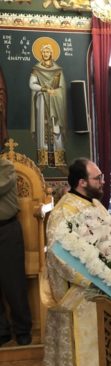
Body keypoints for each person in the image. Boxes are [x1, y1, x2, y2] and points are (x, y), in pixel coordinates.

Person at [43, 158, 111, 366]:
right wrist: (91, 279)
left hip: (103, 289)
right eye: (97, 178)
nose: (102, 182)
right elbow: (58, 254)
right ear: (82, 182)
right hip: (80, 293)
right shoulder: (63, 212)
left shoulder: (95, 204)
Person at [0, 157, 32, 347]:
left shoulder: (5, 166)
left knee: (14, 284)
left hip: (6, 230)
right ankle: (2, 331)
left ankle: (22, 330)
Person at [29, 42, 67, 168]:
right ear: (41, 53)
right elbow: (32, 84)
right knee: (42, 129)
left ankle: (59, 162)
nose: (46, 54)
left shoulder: (58, 70)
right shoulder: (36, 69)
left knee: (56, 129)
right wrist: (44, 89)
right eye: (44, 52)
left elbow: (61, 87)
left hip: (54, 103)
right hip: (42, 102)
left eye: (48, 52)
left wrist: (54, 92)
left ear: (51, 53)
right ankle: (43, 161)